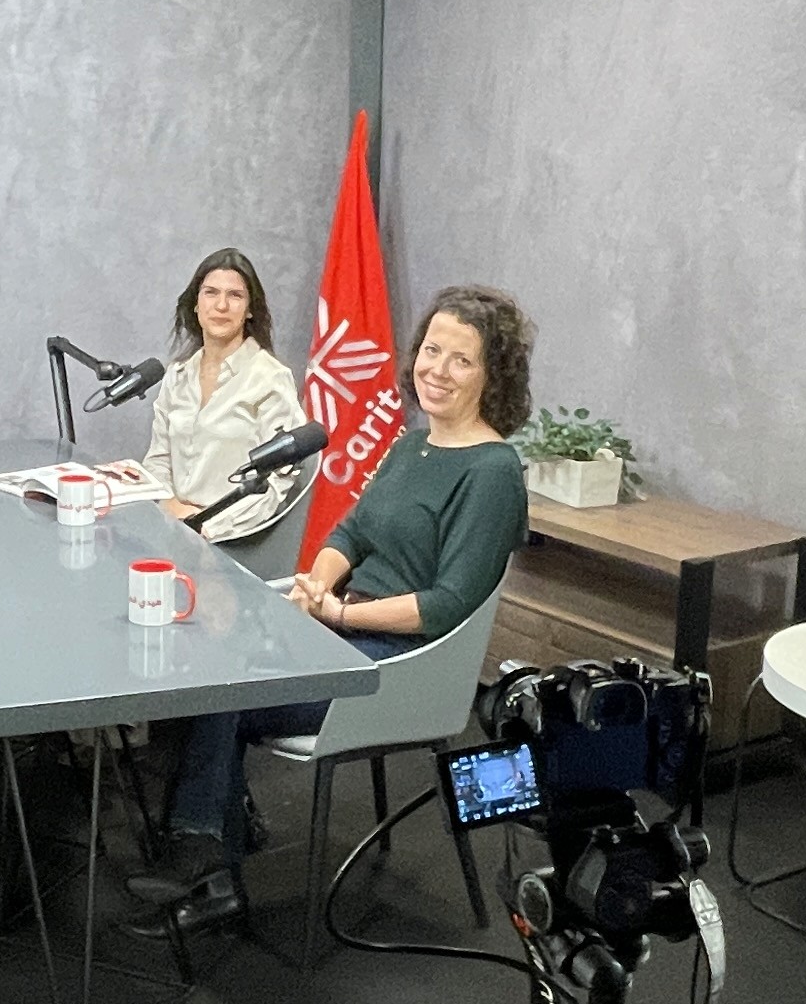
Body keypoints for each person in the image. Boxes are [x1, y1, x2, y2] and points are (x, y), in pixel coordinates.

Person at [129, 284, 535, 939]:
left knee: (225, 689)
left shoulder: (492, 473)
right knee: (203, 655)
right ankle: (215, 839)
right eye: (432, 349)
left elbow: (446, 606)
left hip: (397, 664)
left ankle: (205, 861)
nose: (437, 369)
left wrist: (339, 617)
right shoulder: (412, 444)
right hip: (344, 628)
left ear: (494, 375)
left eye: (461, 359)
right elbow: (351, 532)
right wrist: (321, 583)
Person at [141, 246, 308, 545]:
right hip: (171, 529)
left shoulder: (270, 379)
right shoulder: (177, 376)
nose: (221, 305)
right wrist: (170, 507)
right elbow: (158, 459)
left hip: (231, 542)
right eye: (211, 293)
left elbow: (275, 483)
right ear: (195, 304)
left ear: (250, 309)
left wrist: (207, 526)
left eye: (235, 296)